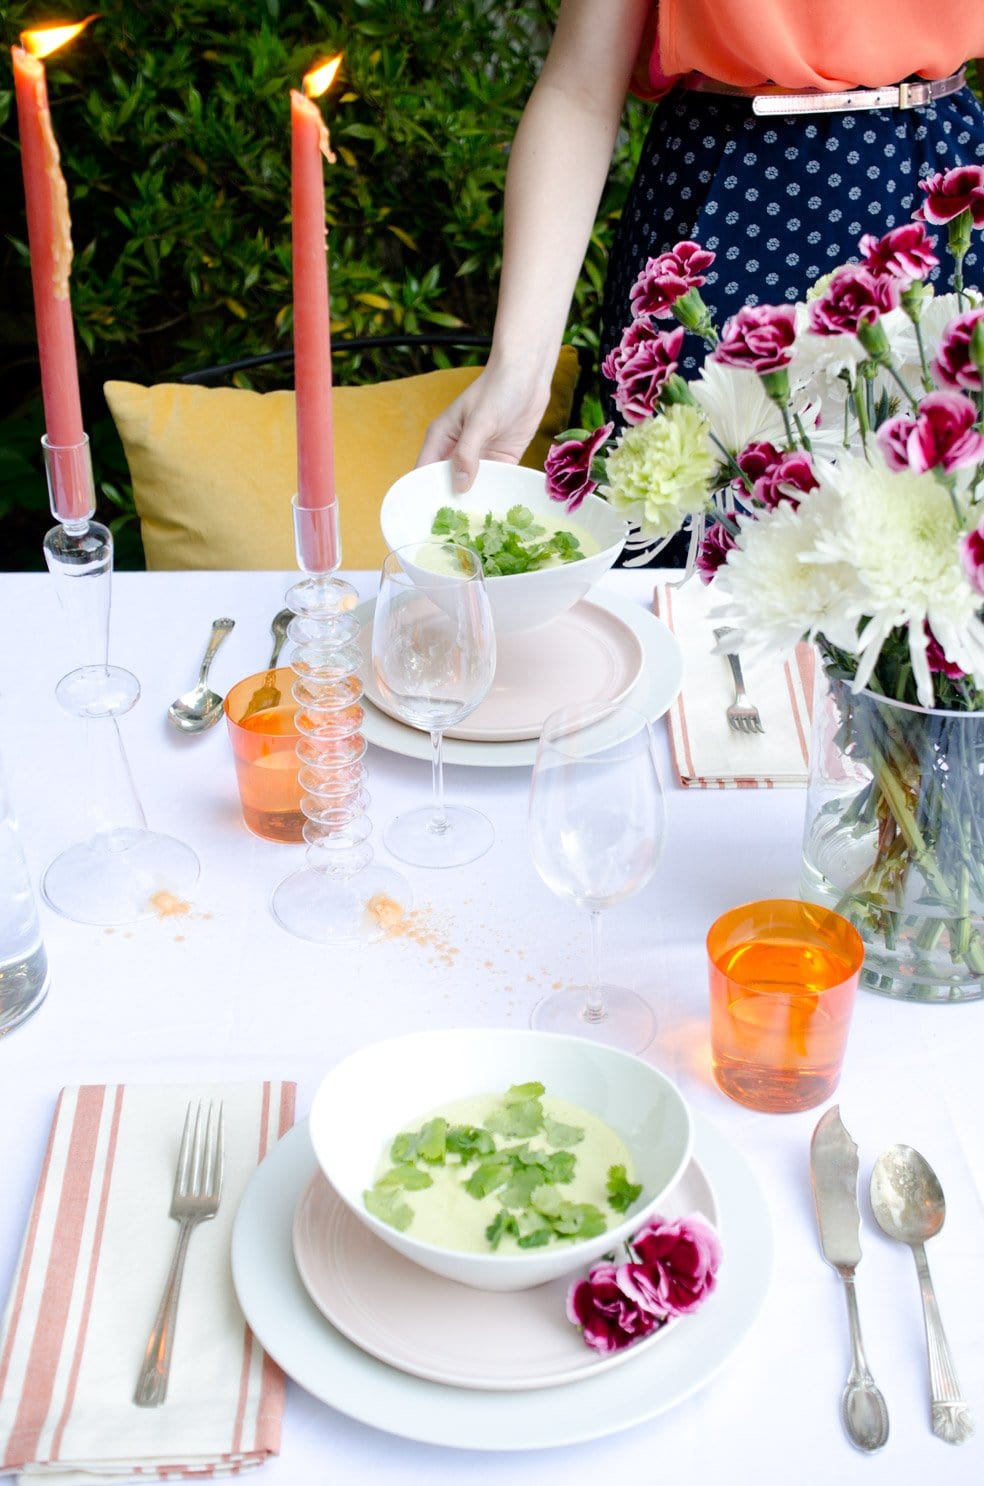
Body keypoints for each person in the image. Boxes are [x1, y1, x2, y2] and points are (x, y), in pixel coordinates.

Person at [417, 0, 984, 543]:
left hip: (939, 188)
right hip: (720, 201)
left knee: (943, 553)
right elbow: (581, 85)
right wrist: (519, 366)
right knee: (699, 544)